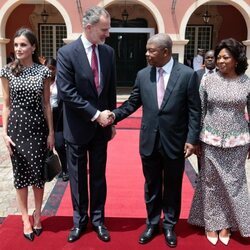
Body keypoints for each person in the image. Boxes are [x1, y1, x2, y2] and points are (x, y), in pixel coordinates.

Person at [109, 33, 201, 247]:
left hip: (175, 142)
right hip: (149, 141)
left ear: (166, 52)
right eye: (147, 50)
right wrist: (114, 115)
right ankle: (152, 223)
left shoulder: (187, 75)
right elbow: (132, 103)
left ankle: (169, 225)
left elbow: (195, 111)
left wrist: (192, 139)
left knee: (172, 185)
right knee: (151, 185)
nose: (147, 54)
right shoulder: (143, 75)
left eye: (151, 50)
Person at [56, 6, 116, 243]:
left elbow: (109, 89)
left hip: (101, 129)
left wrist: (111, 120)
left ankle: (98, 221)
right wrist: (95, 114)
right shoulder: (67, 53)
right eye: (104, 29)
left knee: (99, 177)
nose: (107, 34)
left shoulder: (108, 52)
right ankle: (79, 221)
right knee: (78, 178)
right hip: (78, 127)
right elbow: (66, 92)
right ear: (89, 28)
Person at [188, 38, 250, 246]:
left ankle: (229, 225)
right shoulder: (208, 80)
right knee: (211, 184)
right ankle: (212, 224)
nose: (221, 61)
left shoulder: (246, 82)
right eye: (218, 57)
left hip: (238, 141)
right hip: (210, 140)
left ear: (236, 59)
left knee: (234, 185)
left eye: (226, 57)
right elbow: (200, 110)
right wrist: (195, 140)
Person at [0, 28, 54, 241]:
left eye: (23, 45)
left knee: (38, 175)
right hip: (17, 130)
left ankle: (38, 214)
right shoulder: (7, 71)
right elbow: (6, 104)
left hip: (38, 129)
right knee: (21, 176)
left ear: (33, 47)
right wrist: (4, 133)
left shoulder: (44, 72)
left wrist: (51, 133)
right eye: (16, 45)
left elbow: (47, 104)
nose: (18, 48)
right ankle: (25, 218)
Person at [44, 58, 69, 182]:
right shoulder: (41, 81)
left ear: (56, 69)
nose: (50, 71)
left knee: (59, 145)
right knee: (46, 146)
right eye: (48, 68)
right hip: (44, 117)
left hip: (58, 116)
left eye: (52, 69)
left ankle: (65, 169)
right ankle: (49, 169)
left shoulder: (60, 82)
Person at [196, 50, 216, 172]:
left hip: (215, 118)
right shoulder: (197, 75)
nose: (209, 60)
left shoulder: (222, 76)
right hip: (199, 119)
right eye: (207, 58)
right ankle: (200, 175)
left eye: (212, 58)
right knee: (200, 150)